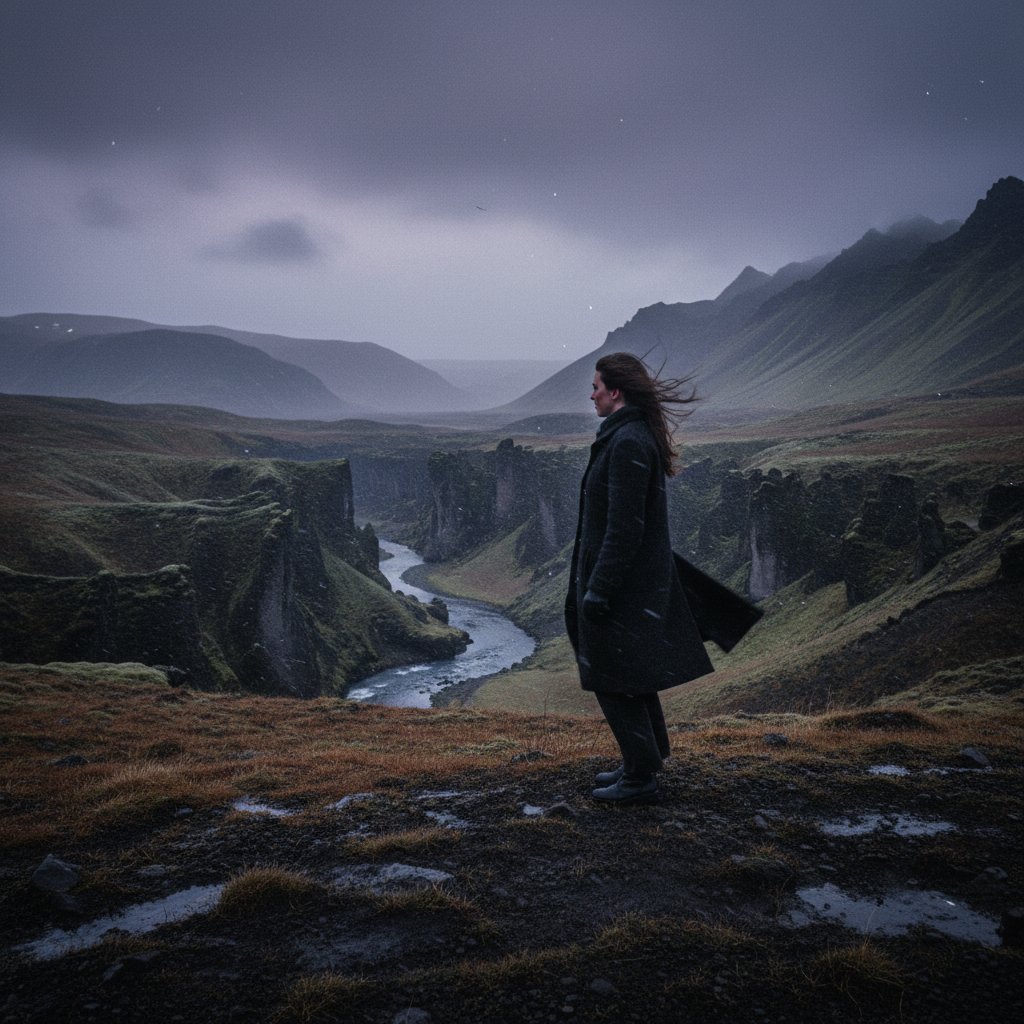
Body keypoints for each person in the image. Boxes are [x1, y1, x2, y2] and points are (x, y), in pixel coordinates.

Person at [565, 352, 714, 804]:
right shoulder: (627, 436)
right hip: (631, 584)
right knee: (632, 673)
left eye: (596, 387)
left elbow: (624, 527)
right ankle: (643, 761)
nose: (590, 395)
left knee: (612, 674)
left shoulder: (627, 441)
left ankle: (640, 777)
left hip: (624, 587)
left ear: (616, 391)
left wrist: (599, 589)